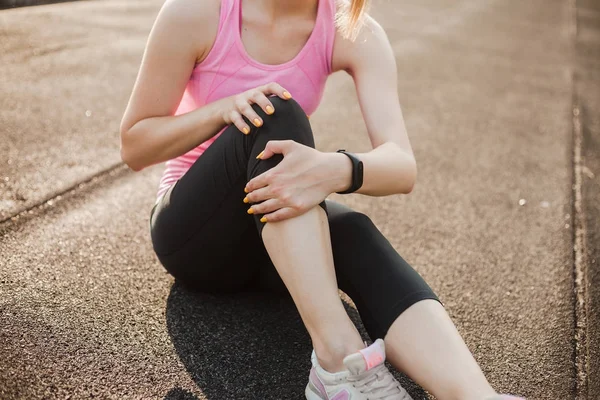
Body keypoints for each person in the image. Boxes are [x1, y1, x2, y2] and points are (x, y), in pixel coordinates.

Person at [119, 0, 525, 399]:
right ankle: (339, 364)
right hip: (193, 235)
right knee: (275, 111)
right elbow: (135, 144)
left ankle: (475, 394)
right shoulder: (197, 12)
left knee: (352, 231)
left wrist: (335, 168)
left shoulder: (350, 28)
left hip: (272, 236)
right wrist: (225, 111)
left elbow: (402, 165)